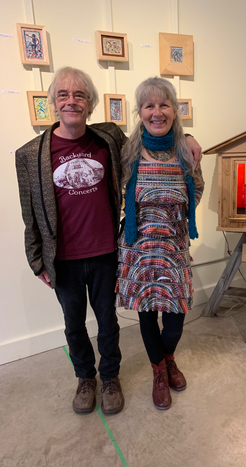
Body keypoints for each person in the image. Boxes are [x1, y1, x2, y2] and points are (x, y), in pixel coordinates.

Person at [15, 67, 202, 416]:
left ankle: (112, 377)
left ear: (90, 104)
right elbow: (30, 212)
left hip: (109, 251)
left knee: (109, 323)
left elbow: (161, 128)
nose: (71, 102)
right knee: (74, 324)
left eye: (80, 95)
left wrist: (188, 137)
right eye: (63, 95)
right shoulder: (30, 155)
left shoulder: (109, 139)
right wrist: (36, 258)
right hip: (69, 256)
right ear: (53, 102)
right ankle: (87, 378)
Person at [116, 77, 204, 410]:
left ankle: (168, 357)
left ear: (174, 109)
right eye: (149, 105)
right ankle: (158, 371)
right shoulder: (127, 150)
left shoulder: (186, 149)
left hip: (175, 247)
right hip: (138, 249)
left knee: (176, 318)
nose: (157, 112)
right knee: (147, 315)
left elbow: (197, 186)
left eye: (164, 104)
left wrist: (177, 211)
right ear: (139, 112)